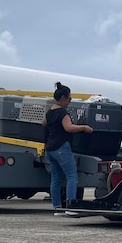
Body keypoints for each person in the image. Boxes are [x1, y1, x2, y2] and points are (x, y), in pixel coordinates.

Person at [42, 82, 93, 216]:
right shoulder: (63, 113)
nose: (70, 101)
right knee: (72, 176)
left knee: (56, 179)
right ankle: (71, 206)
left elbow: (43, 123)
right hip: (61, 148)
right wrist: (83, 127)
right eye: (69, 99)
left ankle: (57, 208)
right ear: (63, 98)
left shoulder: (50, 112)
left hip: (50, 149)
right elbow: (68, 128)